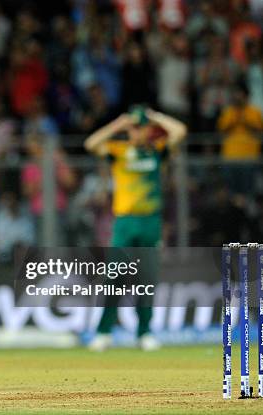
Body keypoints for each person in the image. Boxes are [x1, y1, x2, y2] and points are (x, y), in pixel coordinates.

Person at [84, 105, 187, 352]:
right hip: (125, 222)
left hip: (150, 222)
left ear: (149, 130)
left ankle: (145, 333)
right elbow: (91, 143)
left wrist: (155, 117)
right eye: (135, 127)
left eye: (142, 128)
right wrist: (119, 124)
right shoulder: (119, 151)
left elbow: (180, 131)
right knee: (114, 278)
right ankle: (103, 332)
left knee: (147, 280)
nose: (138, 132)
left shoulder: (157, 151)